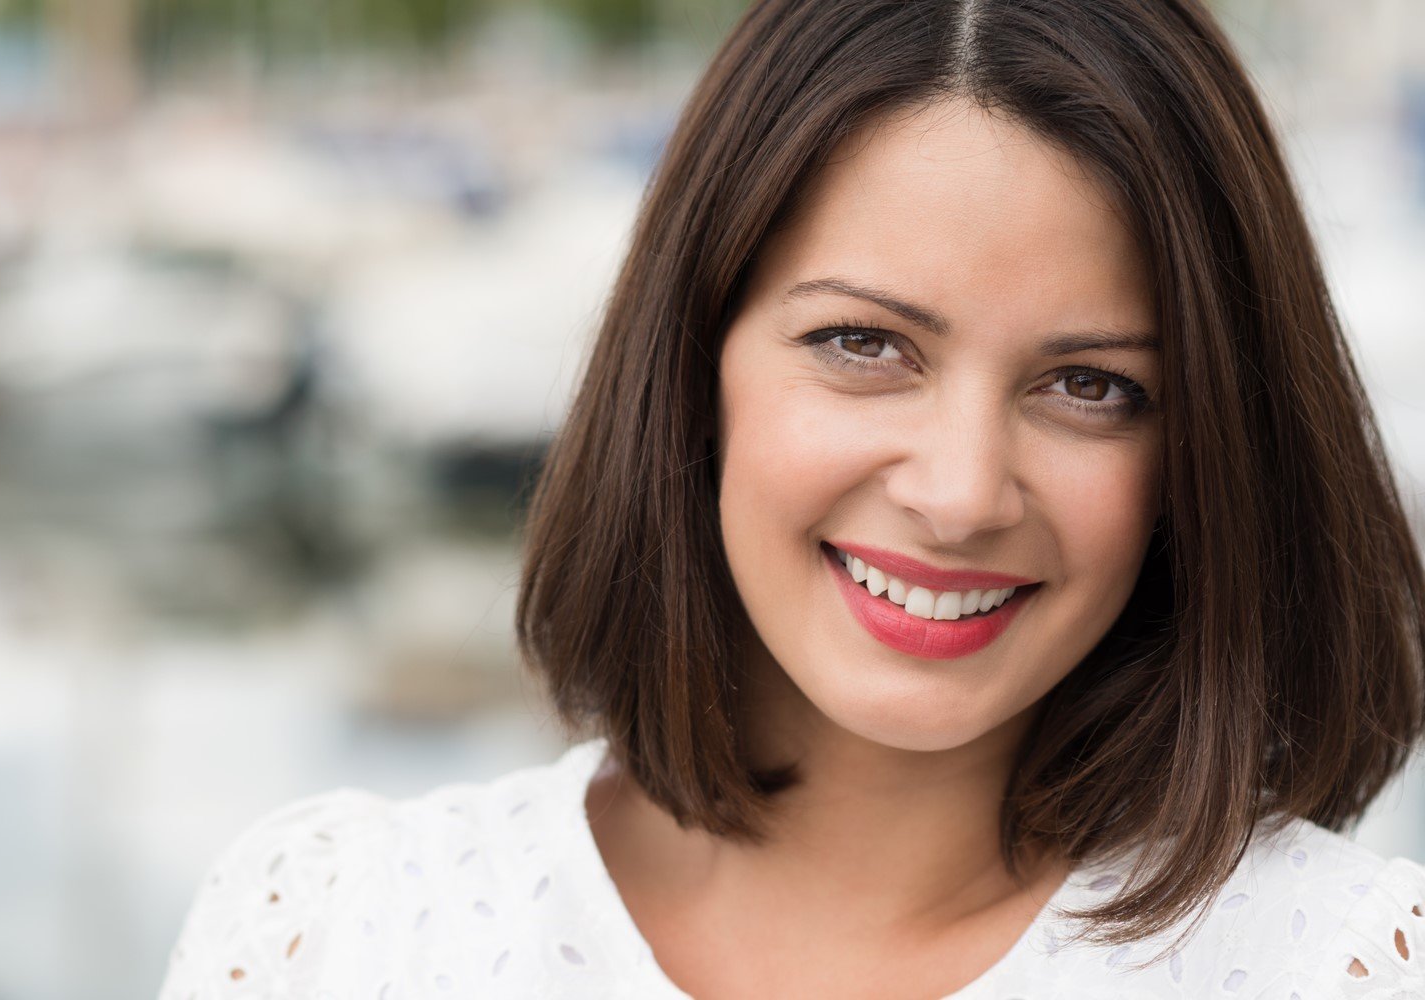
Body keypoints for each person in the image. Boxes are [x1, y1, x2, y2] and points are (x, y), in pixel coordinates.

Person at [156, 0, 1425, 996]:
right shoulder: (331, 931)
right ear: (692, 361)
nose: (960, 493)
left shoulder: (1343, 967)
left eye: (1090, 385)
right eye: (864, 344)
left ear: (1201, 454)